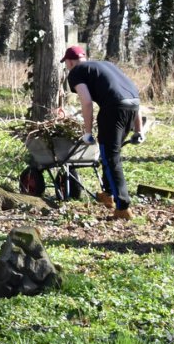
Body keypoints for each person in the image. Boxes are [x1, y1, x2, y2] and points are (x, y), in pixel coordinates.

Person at [61, 45, 144, 220]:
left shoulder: (76, 71)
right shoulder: (107, 65)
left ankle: (123, 208)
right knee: (110, 154)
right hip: (132, 108)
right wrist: (138, 129)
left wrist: (88, 131)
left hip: (113, 111)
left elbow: (87, 102)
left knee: (110, 157)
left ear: (69, 62)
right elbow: (132, 95)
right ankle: (108, 194)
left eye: (67, 63)